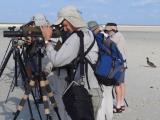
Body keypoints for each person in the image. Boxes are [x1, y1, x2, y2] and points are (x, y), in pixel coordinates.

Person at [40, 5, 103, 120]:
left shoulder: (78, 36)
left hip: (86, 94)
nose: (64, 29)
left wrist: (47, 40)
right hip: (93, 90)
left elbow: (56, 60)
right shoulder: (87, 33)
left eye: (65, 25)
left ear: (71, 20)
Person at [87, 20, 114, 120]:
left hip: (101, 71)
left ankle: (101, 118)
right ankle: (110, 117)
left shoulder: (95, 38)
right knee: (109, 95)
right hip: (112, 69)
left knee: (101, 96)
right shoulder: (107, 37)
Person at [105, 23, 127, 113]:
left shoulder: (115, 37)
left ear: (112, 30)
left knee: (117, 85)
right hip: (123, 63)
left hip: (118, 64)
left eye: (107, 31)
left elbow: (110, 49)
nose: (106, 32)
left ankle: (118, 106)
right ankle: (121, 104)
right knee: (121, 84)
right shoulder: (120, 35)